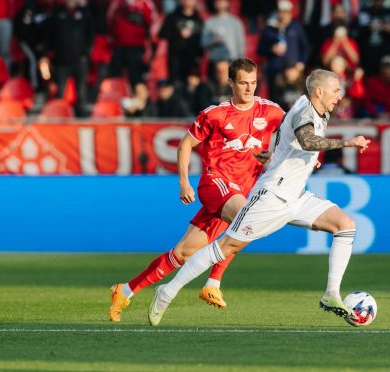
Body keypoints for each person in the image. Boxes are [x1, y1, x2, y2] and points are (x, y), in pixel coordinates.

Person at [147, 69, 371, 326]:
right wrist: (347, 143)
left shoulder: (319, 111)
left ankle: (331, 294)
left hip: (296, 198)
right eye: (335, 90)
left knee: (345, 225)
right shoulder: (305, 111)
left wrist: (280, 156)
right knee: (225, 248)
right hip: (271, 196)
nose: (339, 95)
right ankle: (167, 291)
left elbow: (287, 137)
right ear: (318, 91)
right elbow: (307, 141)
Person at [109, 58, 284, 322]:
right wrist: (183, 182)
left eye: (254, 83)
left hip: (240, 192)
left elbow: (291, 135)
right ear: (230, 83)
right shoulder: (215, 114)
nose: (250, 89)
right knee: (248, 220)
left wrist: (275, 155)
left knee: (181, 253)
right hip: (216, 183)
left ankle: (125, 290)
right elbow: (185, 145)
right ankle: (213, 283)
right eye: (244, 83)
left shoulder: (270, 111)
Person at [45, 0, 94, 117]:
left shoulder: (85, 13)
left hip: (80, 60)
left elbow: (90, 35)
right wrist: (51, 53)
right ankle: (59, 114)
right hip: (62, 60)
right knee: (60, 90)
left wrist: (85, 54)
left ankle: (81, 117)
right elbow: (50, 34)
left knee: (81, 91)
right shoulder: (57, 13)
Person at [159, 0, 203, 87]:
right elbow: (162, 33)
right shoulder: (172, 16)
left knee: (191, 87)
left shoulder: (198, 18)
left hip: (192, 61)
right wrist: (178, 33)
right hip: (175, 61)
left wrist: (199, 56)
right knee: (176, 87)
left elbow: (201, 39)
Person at [201, 0, 245, 75]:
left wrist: (239, 62)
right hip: (214, 61)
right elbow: (203, 43)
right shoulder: (209, 22)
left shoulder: (235, 22)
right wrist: (213, 40)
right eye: (218, 1)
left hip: (231, 61)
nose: (220, 3)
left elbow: (240, 44)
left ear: (227, 3)